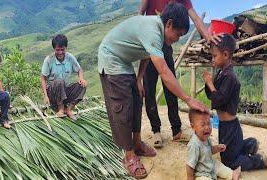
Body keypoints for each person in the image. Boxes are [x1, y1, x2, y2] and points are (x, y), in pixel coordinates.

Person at [98, 2, 208, 179]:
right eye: (178, 34)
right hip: (111, 59)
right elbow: (164, 72)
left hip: (124, 62)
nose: (177, 39)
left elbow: (145, 54)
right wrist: (188, 99)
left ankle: (137, 143)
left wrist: (139, 79)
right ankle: (129, 155)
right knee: (123, 107)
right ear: (169, 23)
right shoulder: (152, 30)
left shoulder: (157, 31)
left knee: (136, 101)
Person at [138, 0, 219, 147]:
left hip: (166, 43)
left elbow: (195, 17)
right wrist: (142, 31)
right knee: (149, 89)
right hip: (151, 41)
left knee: (171, 86)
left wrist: (207, 36)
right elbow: (141, 11)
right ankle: (156, 130)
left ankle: (176, 130)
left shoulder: (184, 1)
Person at [203, 34, 267, 171]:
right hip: (227, 126)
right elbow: (212, 96)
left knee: (229, 162)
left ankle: (259, 160)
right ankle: (250, 144)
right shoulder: (221, 74)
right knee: (229, 151)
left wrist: (210, 84)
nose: (212, 59)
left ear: (225, 54)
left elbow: (219, 99)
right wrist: (208, 84)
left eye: (214, 56)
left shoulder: (230, 77)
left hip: (230, 127)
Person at [40, 34, 87, 120]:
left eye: (62, 49)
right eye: (58, 50)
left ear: (66, 48)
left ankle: (69, 108)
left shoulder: (70, 57)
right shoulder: (49, 60)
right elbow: (43, 78)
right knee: (59, 81)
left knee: (83, 85)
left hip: (65, 91)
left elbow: (79, 69)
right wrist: (45, 96)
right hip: (53, 93)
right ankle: (60, 108)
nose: (60, 52)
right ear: (54, 49)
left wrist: (81, 78)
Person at [186, 109, 241, 180]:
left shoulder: (206, 138)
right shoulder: (194, 145)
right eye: (203, 125)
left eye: (209, 123)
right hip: (201, 173)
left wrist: (218, 148)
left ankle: (232, 174)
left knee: (219, 166)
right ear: (193, 127)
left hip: (210, 163)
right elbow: (190, 165)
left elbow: (210, 150)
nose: (207, 127)